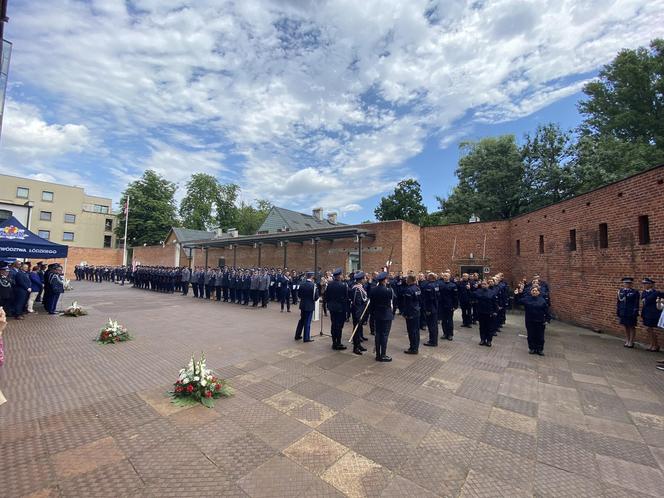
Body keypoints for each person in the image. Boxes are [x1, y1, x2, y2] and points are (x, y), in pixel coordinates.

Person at [515, 283, 550, 355]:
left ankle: (540, 349)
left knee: (540, 336)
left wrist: (547, 320)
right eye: (533, 290)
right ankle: (532, 348)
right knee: (531, 335)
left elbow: (546, 311)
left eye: (536, 291)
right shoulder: (527, 299)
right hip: (530, 321)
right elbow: (518, 302)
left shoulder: (542, 301)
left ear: (538, 292)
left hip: (540, 321)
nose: (534, 292)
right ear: (531, 292)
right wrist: (516, 295)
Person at [368, 271, 395, 362]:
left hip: (377, 314)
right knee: (384, 335)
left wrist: (372, 313)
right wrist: (389, 287)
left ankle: (378, 354)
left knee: (378, 334)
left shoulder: (373, 289)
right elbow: (393, 298)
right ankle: (383, 354)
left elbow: (371, 304)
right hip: (386, 315)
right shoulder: (389, 290)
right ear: (384, 280)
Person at [325, 268, 348, 350]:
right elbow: (346, 298)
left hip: (332, 308)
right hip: (340, 309)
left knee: (333, 325)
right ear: (339, 276)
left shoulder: (330, 284)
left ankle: (334, 342)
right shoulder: (343, 285)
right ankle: (338, 343)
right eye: (341, 275)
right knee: (339, 326)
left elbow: (326, 297)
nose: (342, 276)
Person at [294, 271, 318, 343]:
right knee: (307, 322)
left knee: (302, 320)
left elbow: (299, 295)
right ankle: (306, 337)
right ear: (311, 277)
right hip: (309, 305)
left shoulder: (302, 284)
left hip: (303, 304)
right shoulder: (313, 285)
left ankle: (297, 335)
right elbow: (316, 297)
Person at [641, 278, 663, 352]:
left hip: (653, 314)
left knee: (651, 329)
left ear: (651, 284)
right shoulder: (644, 292)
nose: (644, 285)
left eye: (646, 283)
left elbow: (648, 300)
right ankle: (652, 344)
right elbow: (645, 301)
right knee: (648, 329)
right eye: (644, 284)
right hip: (646, 313)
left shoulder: (656, 292)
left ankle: (655, 345)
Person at [474, 280, 499, 347]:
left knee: (489, 327)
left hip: (489, 312)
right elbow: (472, 295)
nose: (483, 285)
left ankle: (489, 340)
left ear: (488, 285)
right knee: (482, 327)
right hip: (481, 312)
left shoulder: (492, 292)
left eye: (485, 284)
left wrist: (495, 311)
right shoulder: (478, 291)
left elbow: (495, 303)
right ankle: (482, 339)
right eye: (482, 284)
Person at [349, 272, 369, 355]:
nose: (365, 280)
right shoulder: (357, 289)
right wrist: (358, 315)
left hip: (361, 312)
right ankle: (355, 347)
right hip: (358, 312)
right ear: (361, 280)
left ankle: (359, 345)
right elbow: (357, 303)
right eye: (364, 278)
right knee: (356, 330)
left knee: (359, 329)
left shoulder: (361, 287)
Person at [617, 277, 640, 348]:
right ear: (623, 284)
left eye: (629, 283)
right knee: (625, 326)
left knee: (631, 326)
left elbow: (636, 303)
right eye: (626, 283)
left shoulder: (635, 292)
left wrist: (635, 311)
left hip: (631, 312)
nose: (627, 284)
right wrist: (618, 310)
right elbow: (618, 302)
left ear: (631, 284)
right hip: (623, 311)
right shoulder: (620, 291)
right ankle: (627, 340)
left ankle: (631, 341)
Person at [401, 274, 421, 354]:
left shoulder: (409, 290)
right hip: (416, 311)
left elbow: (408, 304)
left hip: (411, 313)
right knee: (416, 331)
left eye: (407, 279)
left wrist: (405, 313)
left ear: (410, 280)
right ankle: (416, 346)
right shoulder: (417, 288)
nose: (406, 280)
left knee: (412, 331)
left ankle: (413, 348)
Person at [422, 272, 439, 347]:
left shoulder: (429, 286)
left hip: (431, 308)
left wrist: (428, 310)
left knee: (431, 325)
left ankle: (432, 341)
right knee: (434, 325)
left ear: (431, 277)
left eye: (428, 276)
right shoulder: (436, 284)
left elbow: (429, 299)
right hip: (435, 307)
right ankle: (434, 340)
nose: (426, 277)